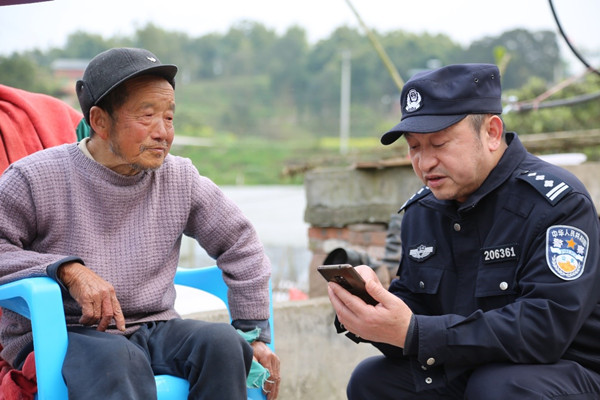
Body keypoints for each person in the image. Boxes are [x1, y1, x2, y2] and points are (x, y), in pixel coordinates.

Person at [0, 47, 280, 400]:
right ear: (100, 121)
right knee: (117, 358)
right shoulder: (35, 177)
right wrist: (66, 271)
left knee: (224, 344)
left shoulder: (180, 178)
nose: (163, 132)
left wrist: (254, 336)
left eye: (169, 117)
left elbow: (241, 244)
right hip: (64, 331)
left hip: (155, 326)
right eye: (147, 116)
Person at [326, 63, 600, 399]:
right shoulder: (422, 211)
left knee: (497, 387)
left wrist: (415, 332)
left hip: (567, 371)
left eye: (439, 144)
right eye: (414, 147)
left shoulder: (556, 204)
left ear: (492, 133)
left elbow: (545, 329)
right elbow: (418, 312)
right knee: (373, 380)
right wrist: (369, 304)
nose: (424, 163)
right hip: (472, 366)